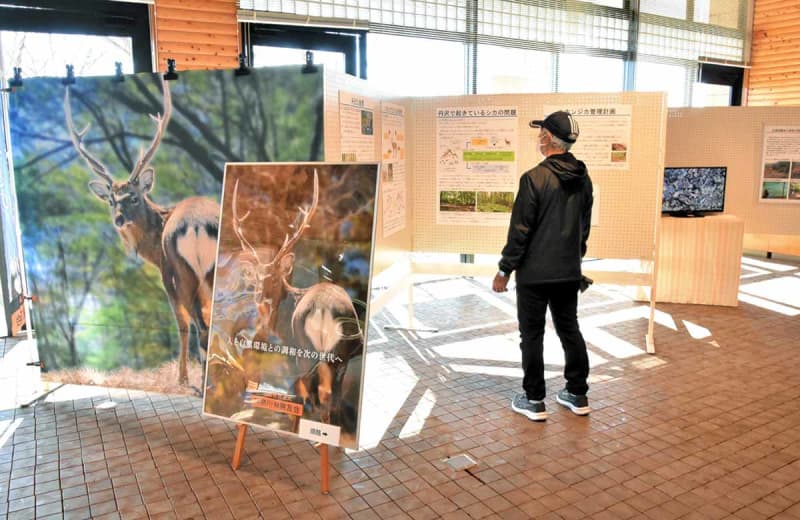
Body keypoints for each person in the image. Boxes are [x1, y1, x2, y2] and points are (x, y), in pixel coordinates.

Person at [492, 110, 593, 421]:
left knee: (532, 335)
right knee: (569, 329)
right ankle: (577, 394)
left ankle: (534, 400)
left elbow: (520, 231)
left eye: (541, 133)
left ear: (548, 139)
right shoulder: (583, 178)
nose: (538, 137)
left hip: (535, 275)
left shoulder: (534, 178)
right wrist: (574, 259)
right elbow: (584, 228)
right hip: (568, 271)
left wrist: (504, 269)